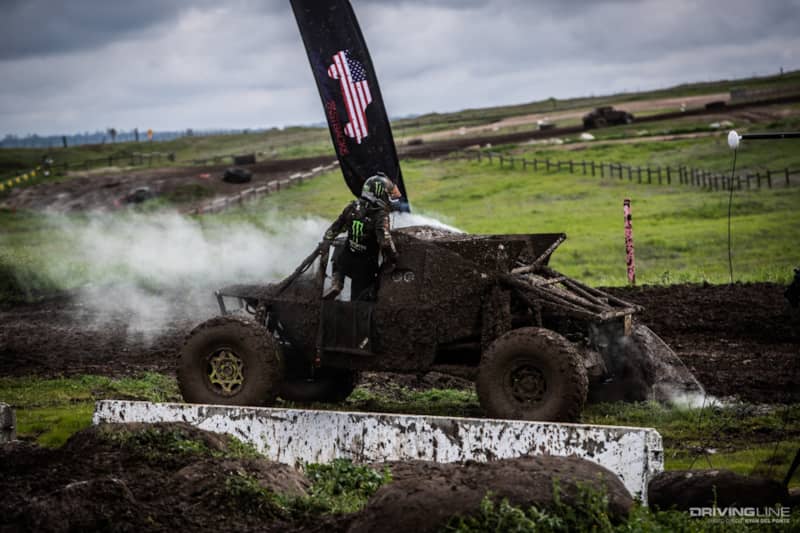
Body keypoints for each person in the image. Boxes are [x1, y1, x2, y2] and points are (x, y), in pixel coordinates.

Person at [323, 173, 401, 300]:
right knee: (359, 300)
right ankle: (355, 312)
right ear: (380, 194)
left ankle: (337, 281)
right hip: (365, 268)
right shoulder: (380, 216)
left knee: (340, 247)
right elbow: (385, 242)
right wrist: (394, 258)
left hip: (345, 259)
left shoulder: (352, 207)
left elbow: (333, 230)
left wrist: (326, 243)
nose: (391, 198)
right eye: (389, 194)